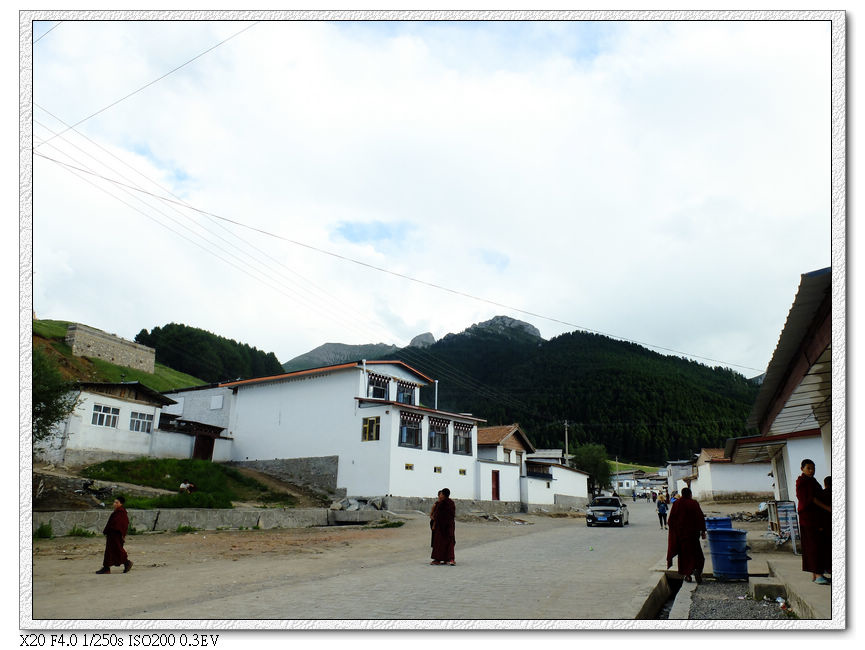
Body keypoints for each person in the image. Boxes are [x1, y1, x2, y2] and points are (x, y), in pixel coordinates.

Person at [796, 459, 831, 584]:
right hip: (808, 519)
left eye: (813, 468)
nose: (811, 471)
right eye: (808, 468)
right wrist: (827, 508)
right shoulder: (802, 482)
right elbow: (811, 499)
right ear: (802, 469)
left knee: (814, 546)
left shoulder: (812, 481)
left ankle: (815, 575)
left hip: (814, 518)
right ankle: (817, 574)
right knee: (813, 546)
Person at [666, 487, 706, 583]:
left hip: (681, 537)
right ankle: (698, 571)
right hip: (693, 536)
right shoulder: (694, 503)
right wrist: (703, 531)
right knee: (698, 555)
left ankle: (688, 575)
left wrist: (675, 532)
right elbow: (700, 517)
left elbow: (671, 521)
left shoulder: (676, 504)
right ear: (690, 494)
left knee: (684, 557)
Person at [96, 496, 132, 574]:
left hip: (116, 534)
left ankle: (126, 562)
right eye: (114, 502)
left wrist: (116, 531)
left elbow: (122, 524)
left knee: (117, 550)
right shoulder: (117, 512)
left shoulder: (121, 512)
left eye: (117, 502)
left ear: (121, 504)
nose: (114, 504)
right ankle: (106, 568)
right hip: (112, 534)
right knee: (109, 551)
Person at [430, 487, 456, 566]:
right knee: (449, 542)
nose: (440, 495)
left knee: (439, 542)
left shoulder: (441, 504)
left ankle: (438, 560)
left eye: (441, 494)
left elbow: (437, 515)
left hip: (442, 527)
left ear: (444, 495)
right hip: (449, 526)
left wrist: (434, 523)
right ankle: (450, 559)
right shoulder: (451, 503)